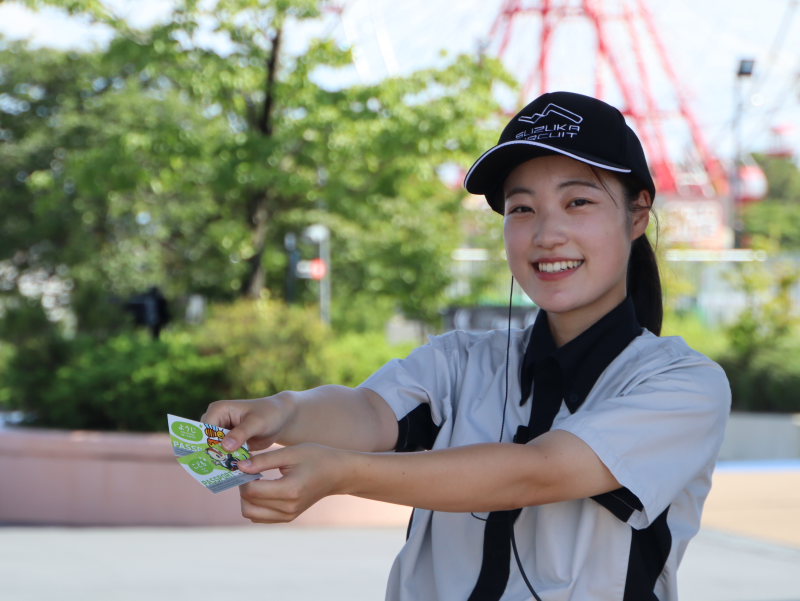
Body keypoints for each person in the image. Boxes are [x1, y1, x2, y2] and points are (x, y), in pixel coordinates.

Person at [201, 91, 731, 601]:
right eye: (521, 209)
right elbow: (368, 410)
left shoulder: (682, 385)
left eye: (578, 202)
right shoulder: (460, 360)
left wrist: (341, 472)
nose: (547, 233)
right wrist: (279, 412)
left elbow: (536, 472)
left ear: (637, 215)